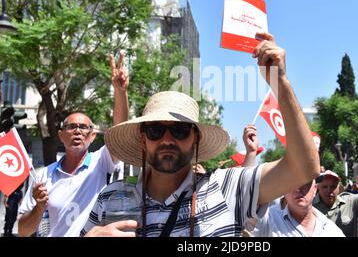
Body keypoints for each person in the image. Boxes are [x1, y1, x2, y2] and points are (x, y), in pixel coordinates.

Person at [81, 32, 321, 237]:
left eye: (179, 130)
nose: (167, 139)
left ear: (195, 137)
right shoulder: (110, 197)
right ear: (143, 139)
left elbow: (304, 168)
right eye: (155, 130)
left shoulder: (229, 188)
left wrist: (280, 83)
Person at [17, 53, 129, 237]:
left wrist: (120, 91)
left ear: (93, 136)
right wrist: (39, 207)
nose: (77, 131)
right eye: (71, 127)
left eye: (84, 127)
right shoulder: (43, 176)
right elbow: (22, 231)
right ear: (61, 135)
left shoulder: (101, 163)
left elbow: (119, 132)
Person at [251, 178, 345, 237]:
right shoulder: (267, 219)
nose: (298, 189)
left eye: (305, 184)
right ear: (284, 191)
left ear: (315, 190)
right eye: (292, 184)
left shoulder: (330, 228)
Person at [312, 160, 358, 237]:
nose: (329, 190)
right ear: (317, 187)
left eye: (333, 187)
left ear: (339, 187)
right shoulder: (309, 207)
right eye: (325, 187)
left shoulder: (350, 201)